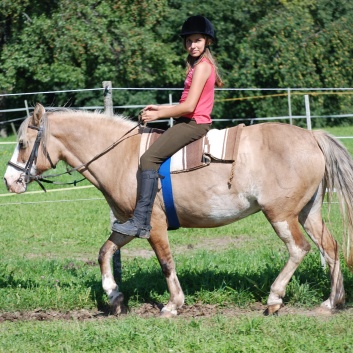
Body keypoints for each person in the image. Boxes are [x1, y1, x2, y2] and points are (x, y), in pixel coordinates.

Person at [112, 15, 223, 239]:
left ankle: (141, 221)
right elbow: (186, 102)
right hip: (187, 121)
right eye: (189, 41)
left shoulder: (202, 67)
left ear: (207, 41)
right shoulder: (196, 66)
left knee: (148, 159)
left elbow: (190, 106)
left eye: (198, 40)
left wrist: (158, 113)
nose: (193, 45)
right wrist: (160, 107)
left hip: (194, 124)